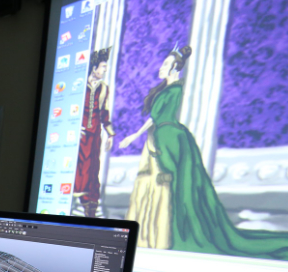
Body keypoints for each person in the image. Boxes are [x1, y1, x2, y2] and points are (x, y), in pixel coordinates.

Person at [120, 46, 288, 259]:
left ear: (175, 68)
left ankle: (166, 234)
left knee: (171, 186)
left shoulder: (175, 90)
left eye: (165, 65)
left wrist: (133, 136)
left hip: (170, 139)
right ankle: (152, 235)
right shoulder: (165, 89)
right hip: (161, 138)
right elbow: (154, 118)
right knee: (158, 184)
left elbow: (155, 118)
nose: (161, 68)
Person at [73, 47, 115, 218]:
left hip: (94, 137)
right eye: (103, 67)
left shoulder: (104, 88)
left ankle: (89, 210)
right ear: (94, 68)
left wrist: (110, 134)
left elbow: (104, 113)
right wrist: (74, 126)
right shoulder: (80, 85)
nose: (105, 71)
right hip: (78, 137)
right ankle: (74, 206)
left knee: (92, 172)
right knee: (77, 171)